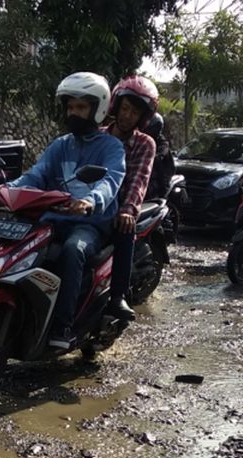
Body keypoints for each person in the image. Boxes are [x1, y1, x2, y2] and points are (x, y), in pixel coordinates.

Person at [0, 72, 124, 353]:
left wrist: (91, 201)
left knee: (72, 250)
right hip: (53, 219)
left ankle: (63, 327)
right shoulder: (60, 145)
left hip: (89, 223)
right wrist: (0, 190)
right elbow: (35, 176)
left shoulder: (111, 147)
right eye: (70, 107)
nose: (74, 113)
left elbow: (111, 181)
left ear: (98, 109)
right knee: (20, 248)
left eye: (81, 107)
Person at [103, 76, 158, 322]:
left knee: (126, 229)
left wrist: (127, 210)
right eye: (125, 109)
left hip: (120, 208)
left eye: (134, 112)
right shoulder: (99, 136)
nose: (127, 116)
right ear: (115, 106)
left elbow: (139, 179)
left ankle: (118, 296)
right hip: (91, 205)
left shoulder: (145, 143)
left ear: (142, 118)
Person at [143, 112, 176, 202]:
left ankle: (162, 200)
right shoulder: (144, 140)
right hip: (148, 168)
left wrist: (153, 157)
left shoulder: (162, 142)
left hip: (163, 171)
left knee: (160, 185)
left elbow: (161, 154)